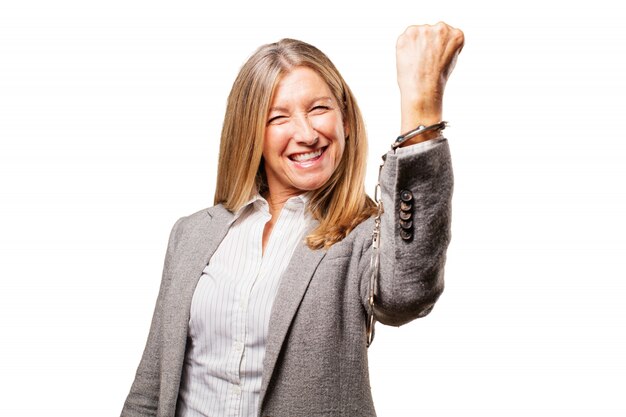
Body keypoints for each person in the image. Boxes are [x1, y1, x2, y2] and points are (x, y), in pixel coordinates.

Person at [121, 22, 464, 417]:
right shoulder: (191, 233)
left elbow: (408, 295)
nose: (306, 133)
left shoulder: (363, 235)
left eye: (319, 109)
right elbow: (151, 387)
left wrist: (421, 109)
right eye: (278, 118)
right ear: (251, 133)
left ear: (345, 121)